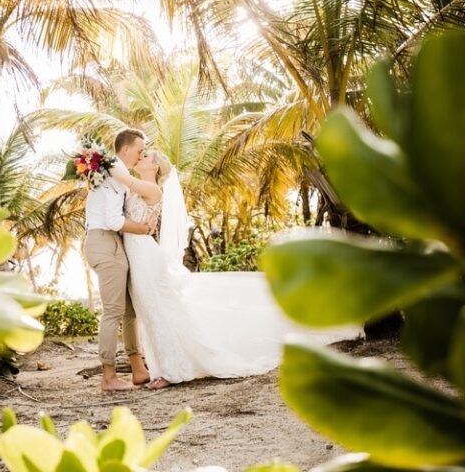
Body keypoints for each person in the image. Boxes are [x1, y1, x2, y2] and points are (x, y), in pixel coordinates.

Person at [110, 150, 359, 390]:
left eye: (145, 156)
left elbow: (121, 177)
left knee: (158, 311)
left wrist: (99, 162)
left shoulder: (151, 189)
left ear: (154, 166)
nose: (140, 158)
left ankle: (173, 370)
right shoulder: (134, 189)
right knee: (150, 311)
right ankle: (164, 367)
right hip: (138, 255)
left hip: (145, 256)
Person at [82, 128, 157, 391]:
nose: (141, 154)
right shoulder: (112, 181)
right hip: (105, 243)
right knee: (113, 311)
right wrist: (144, 229)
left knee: (128, 311)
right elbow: (114, 221)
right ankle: (108, 377)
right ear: (125, 149)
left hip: (112, 244)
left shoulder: (117, 179)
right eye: (139, 149)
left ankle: (138, 369)